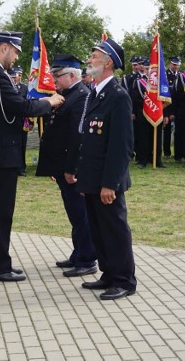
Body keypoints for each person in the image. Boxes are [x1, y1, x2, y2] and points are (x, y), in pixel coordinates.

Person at [0, 30, 64, 282]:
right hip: (0, 152)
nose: (15, 57)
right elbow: (20, 106)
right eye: (14, 52)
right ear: (4, 48)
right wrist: (50, 100)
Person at [69, 38, 136, 300]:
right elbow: (90, 141)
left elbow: (122, 146)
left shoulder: (117, 97)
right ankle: (109, 273)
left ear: (108, 63)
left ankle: (124, 280)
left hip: (108, 181)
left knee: (115, 230)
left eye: (94, 56)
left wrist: (110, 183)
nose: (89, 60)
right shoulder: (97, 93)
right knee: (98, 228)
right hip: (92, 179)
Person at [36, 54, 96, 278]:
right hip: (61, 165)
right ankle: (78, 252)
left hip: (73, 167)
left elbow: (77, 136)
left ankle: (87, 258)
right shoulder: (66, 95)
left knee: (81, 214)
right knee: (73, 212)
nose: (54, 79)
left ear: (72, 75)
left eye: (57, 75)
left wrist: (72, 168)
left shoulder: (81, 96)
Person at [9, 65, 30, 176]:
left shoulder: (24, 88)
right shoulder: (8, 87)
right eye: (13, 76)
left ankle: (21, 167)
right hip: (10, 120)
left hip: (22, 121)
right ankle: (13, 165)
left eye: (17, 76)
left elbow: (29, 103)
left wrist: (30, 121)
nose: (15, 78)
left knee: (22, 144)